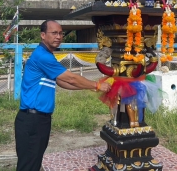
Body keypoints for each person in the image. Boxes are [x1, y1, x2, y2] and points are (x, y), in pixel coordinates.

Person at [14, 19, 111, 171]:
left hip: (39, 119)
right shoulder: (42, 56)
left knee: (33, 162)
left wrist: (88, 87)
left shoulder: (47, 55)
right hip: (32, 120)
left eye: (60, 33)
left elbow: (61, 82)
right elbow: (70, 78)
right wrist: (96, 85)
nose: (58, 36)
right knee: (28, 166)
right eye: (54, 33)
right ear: (43, 35)